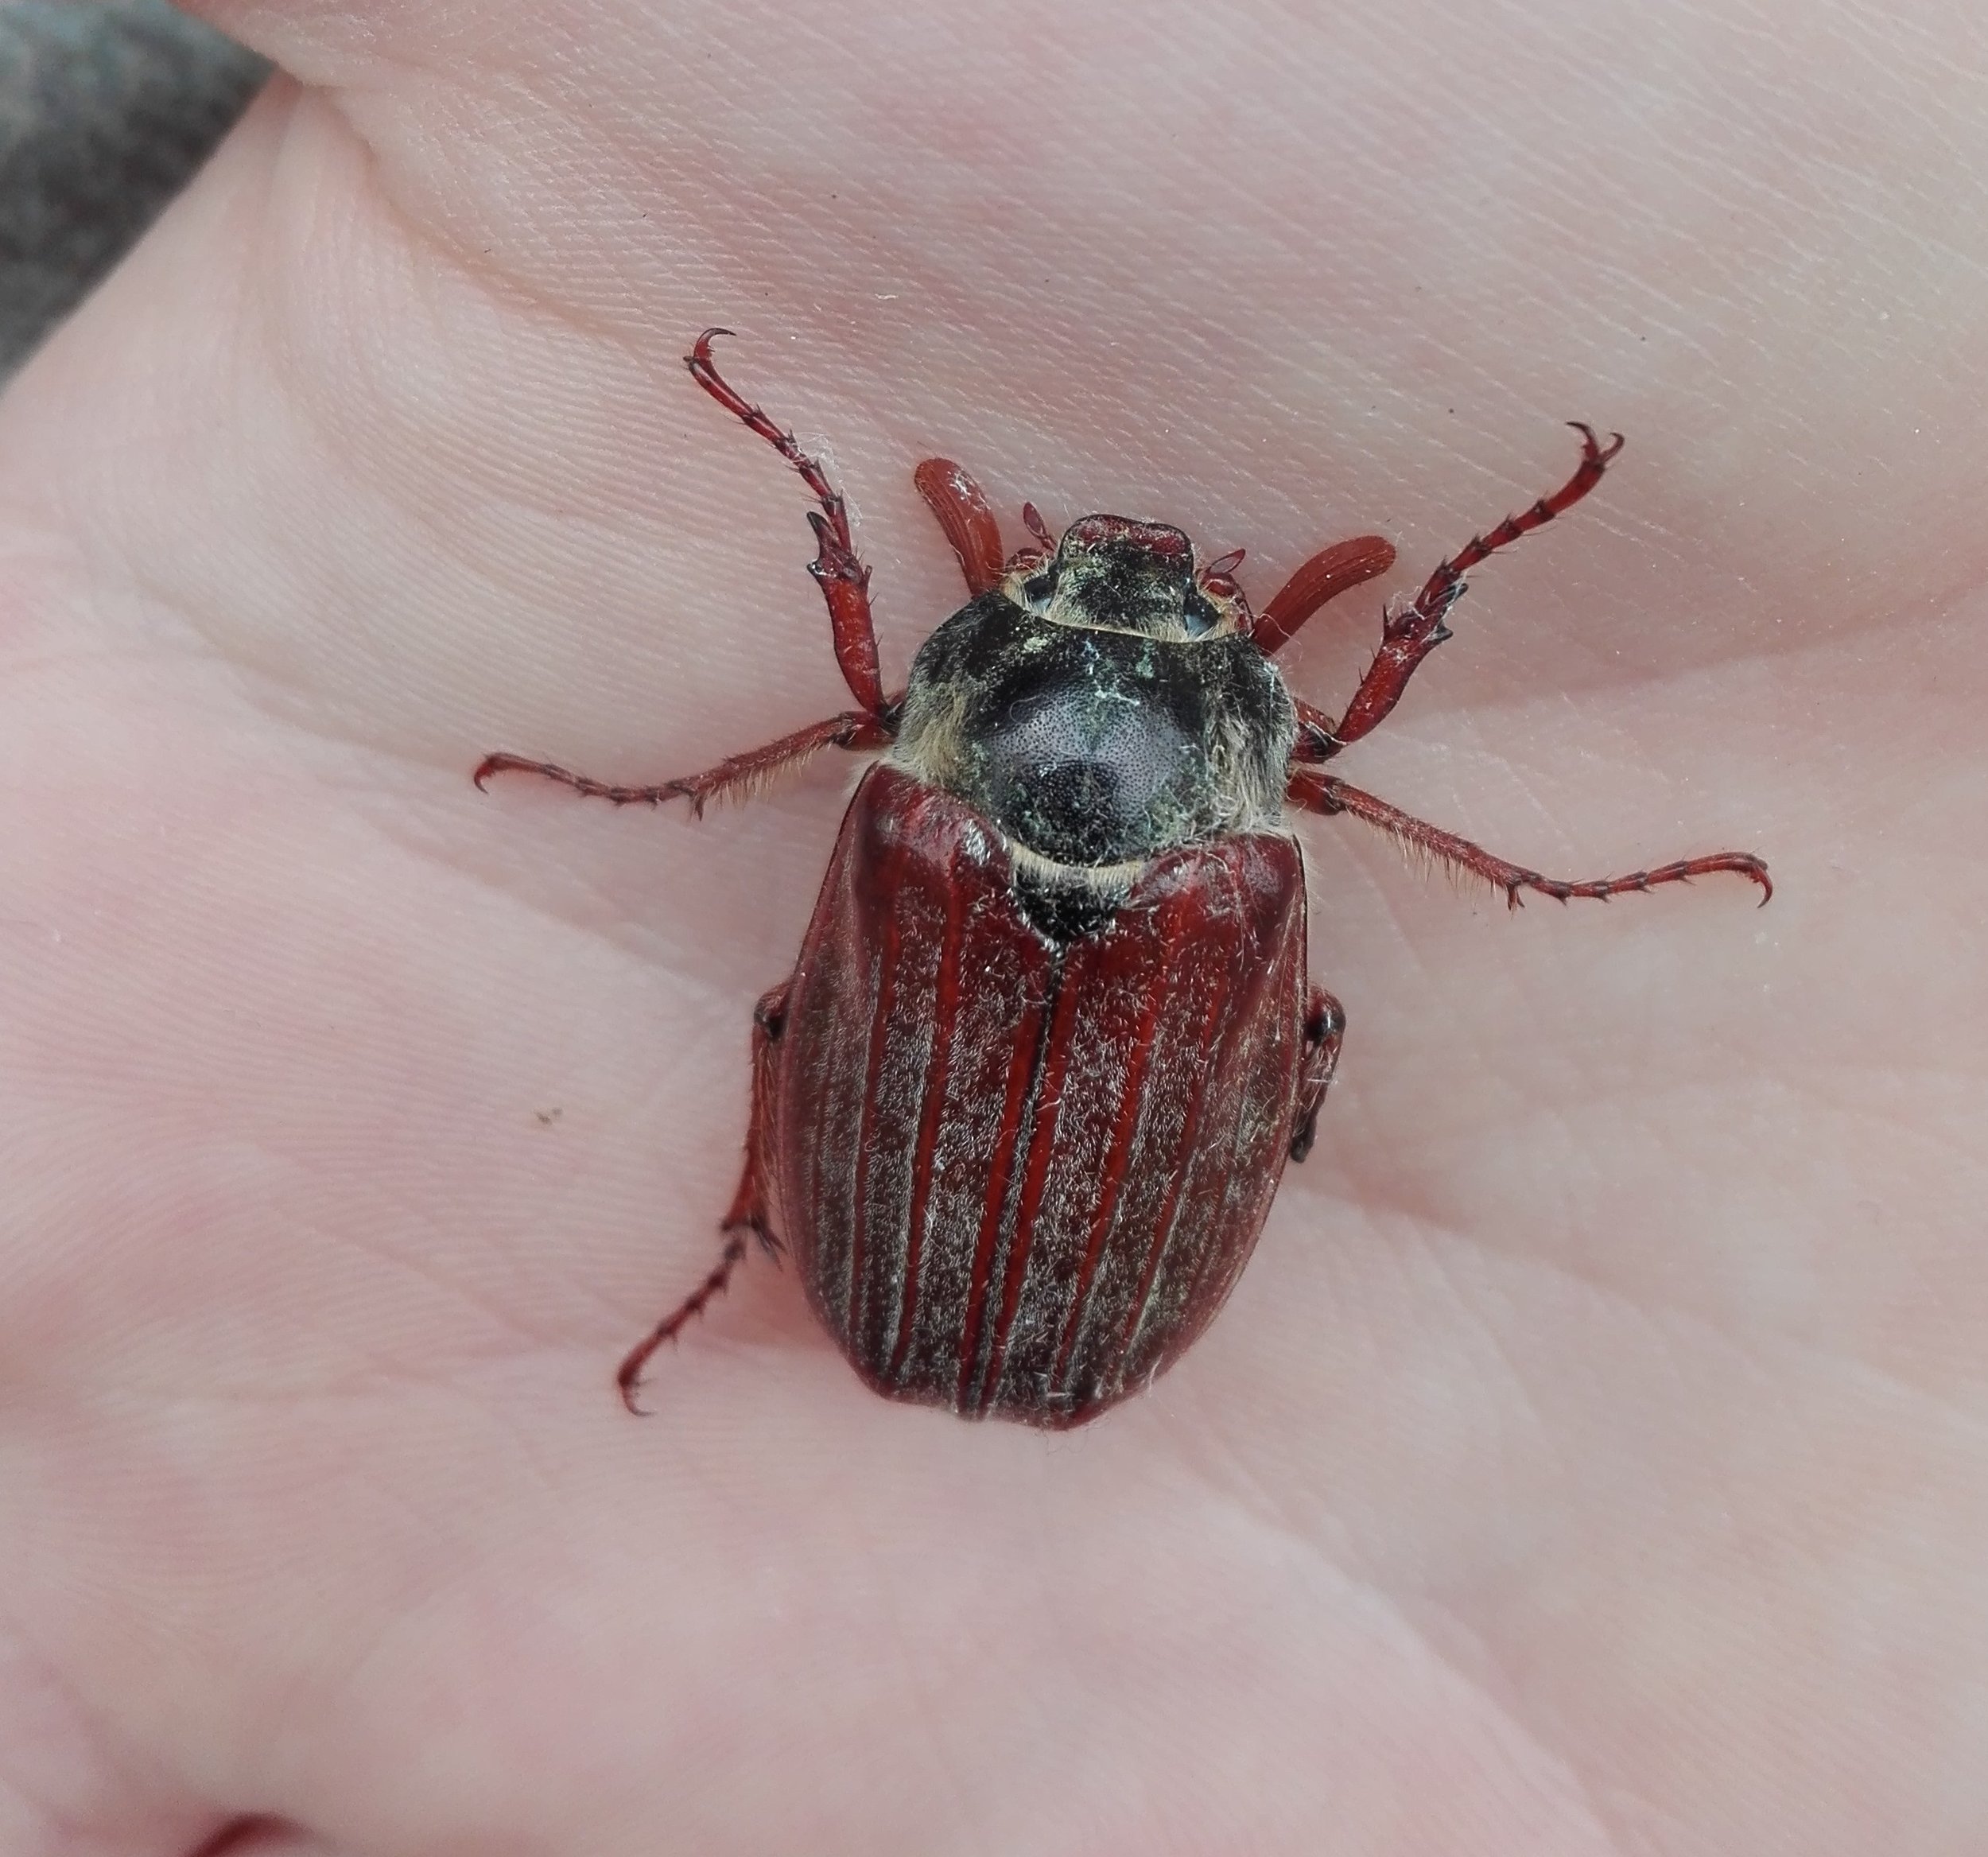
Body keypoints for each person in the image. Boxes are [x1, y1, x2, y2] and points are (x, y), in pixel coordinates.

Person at [0, 2, 1979, 1851]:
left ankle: (753, 1246)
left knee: (818, 1022)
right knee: (1160, 1029)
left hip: (940, 1261)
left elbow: (852, 783)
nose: (1128, 586)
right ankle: (918, 1189)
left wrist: (802, 522)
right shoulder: (1241, 839)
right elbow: (1346, 724)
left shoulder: (930, 817)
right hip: (1083, 1290)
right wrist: (1451, 571)